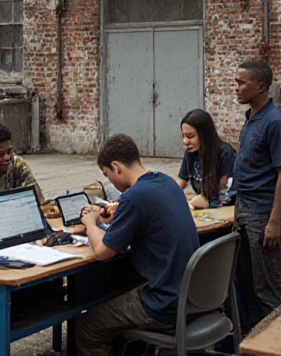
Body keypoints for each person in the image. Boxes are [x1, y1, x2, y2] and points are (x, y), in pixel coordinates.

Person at [75, 134, 200, 356]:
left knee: (88, 324)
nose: (110, 181)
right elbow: (148, 216)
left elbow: (103, 252)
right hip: (190, 295)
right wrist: (112, 218)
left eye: (107, 175)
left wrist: (90, 222)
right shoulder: (166, 182)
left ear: (116, 167)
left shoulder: (134, 197)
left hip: (163, 303)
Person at [230, 59, 281, 330]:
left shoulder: (275, 123)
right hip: (245, 211)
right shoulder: (251, 118)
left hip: (262, 213)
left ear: (261, 86)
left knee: (269, 288)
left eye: (242, 83)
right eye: (236, 82)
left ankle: (279, 340)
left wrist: (274, 222)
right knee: (247, 285)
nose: (237, 88)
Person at [177, 108, 237, 209]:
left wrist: (201, 202)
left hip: (225, 208)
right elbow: (181, 182)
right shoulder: (190, 153)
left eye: (190, 136)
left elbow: (227, 196)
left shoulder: (225, 154)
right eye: (183, 136)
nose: (185, 141)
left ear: (204, 135)